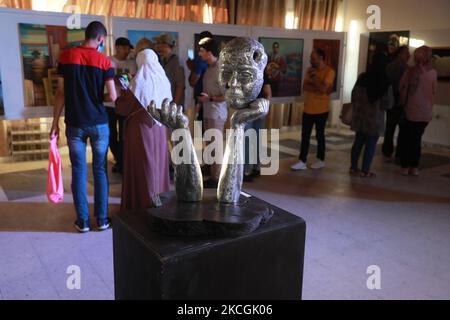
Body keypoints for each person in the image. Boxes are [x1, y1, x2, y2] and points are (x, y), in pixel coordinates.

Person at [50, 21, 117, 233]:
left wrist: (54, 123)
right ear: (100, 39)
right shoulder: (105, 61)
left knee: (78, 171)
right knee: (100, 170)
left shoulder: (66, 57)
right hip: (99, 123)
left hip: (75, 124)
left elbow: (60, 93)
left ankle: (83, 221)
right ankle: (103, 219)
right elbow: (112, 96)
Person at [115, 46, 171, 211]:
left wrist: (124, 90)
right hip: (159, 129)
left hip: (140, 130)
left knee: (143, 166)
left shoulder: (137, 83)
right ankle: (159, 202)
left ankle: (141, 203)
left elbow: (122, 108)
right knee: (158, 165)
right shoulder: (163, 80)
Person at [291, 49, 336, 171]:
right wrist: (318, 86)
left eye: (313, 58)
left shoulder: (329, 72)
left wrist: (315, 80)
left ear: (321, 58)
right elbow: (305, 86)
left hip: (322, 109)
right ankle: (302, 160)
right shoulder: (309, 70)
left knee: (320, 135)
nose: (311, 60)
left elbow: (323, 89)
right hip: (308, 108)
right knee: (305, 135)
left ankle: (320, 159)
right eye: (311, 58)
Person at [350, 53, 393, 178]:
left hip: (360, 116)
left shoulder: (362, 77)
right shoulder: (385, 81)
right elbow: (388, 103)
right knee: (371, 145)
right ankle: (365, 170)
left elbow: (354, 95)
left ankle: (353, 167)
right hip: (375, 119)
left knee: (358, 142)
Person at [399, 46, 437, 176]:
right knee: (416, 140)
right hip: (425, 112)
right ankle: (414, 167)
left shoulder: (409, 72)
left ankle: (405, 166)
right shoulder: (433, 73)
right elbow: (434, 91)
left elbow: (401, 88)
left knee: (406, 139)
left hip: (410, 110)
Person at [197, 38, 227, 189]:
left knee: (216, 146)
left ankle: (217, 179)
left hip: (217, 113)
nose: (199, 54)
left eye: (201, 51)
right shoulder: (208, 68)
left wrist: (210, 98)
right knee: (209, 145)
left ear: (209, 53)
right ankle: (211, 174)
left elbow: (227, 95)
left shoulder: (221, 70)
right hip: (208, 111)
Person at [106, 37, 137, 174]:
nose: (127, 51)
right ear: (117, 47)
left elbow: (129, 83)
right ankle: (119, 160)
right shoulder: (108, 61)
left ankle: (123, 162)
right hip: (109, 103)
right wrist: (123, 78)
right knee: (111, 134)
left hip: (126, 104)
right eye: (124, 48)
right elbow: (122, 80)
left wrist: (115, 78)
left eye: (128, 49)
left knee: (125, 135)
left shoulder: (132, 63)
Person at [382, 45, 410, 162]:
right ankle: (399, 153)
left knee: (389, 127)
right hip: (400, 101)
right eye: (406, 53)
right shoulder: (406, 68)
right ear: (400, 54)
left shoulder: (389, 67)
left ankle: (387, 152)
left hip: (391, 100)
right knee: (402, 129)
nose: (409, 55)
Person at [244, 67, 272, 182]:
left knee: (249, 139)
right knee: (255, 139)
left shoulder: (248, 72)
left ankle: (248, 169)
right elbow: (268, 93)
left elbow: (268, 93)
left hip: (251, 109)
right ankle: (255, 167)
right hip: (258, 109)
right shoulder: (261, 71)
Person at [187, 31, 213, 125]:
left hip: (202, 97)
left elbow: (192, 82)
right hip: (209, 98)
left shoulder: (201, 60)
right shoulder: (214, 60)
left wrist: (193, 69)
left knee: (201, 129)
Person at [154, 33, 185, 107]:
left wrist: (174, 106)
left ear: (166, 45)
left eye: (160, 44)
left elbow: (180, 86)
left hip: (173, 108)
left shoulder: (176, 61)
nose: (157, 47)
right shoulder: (162, 61)